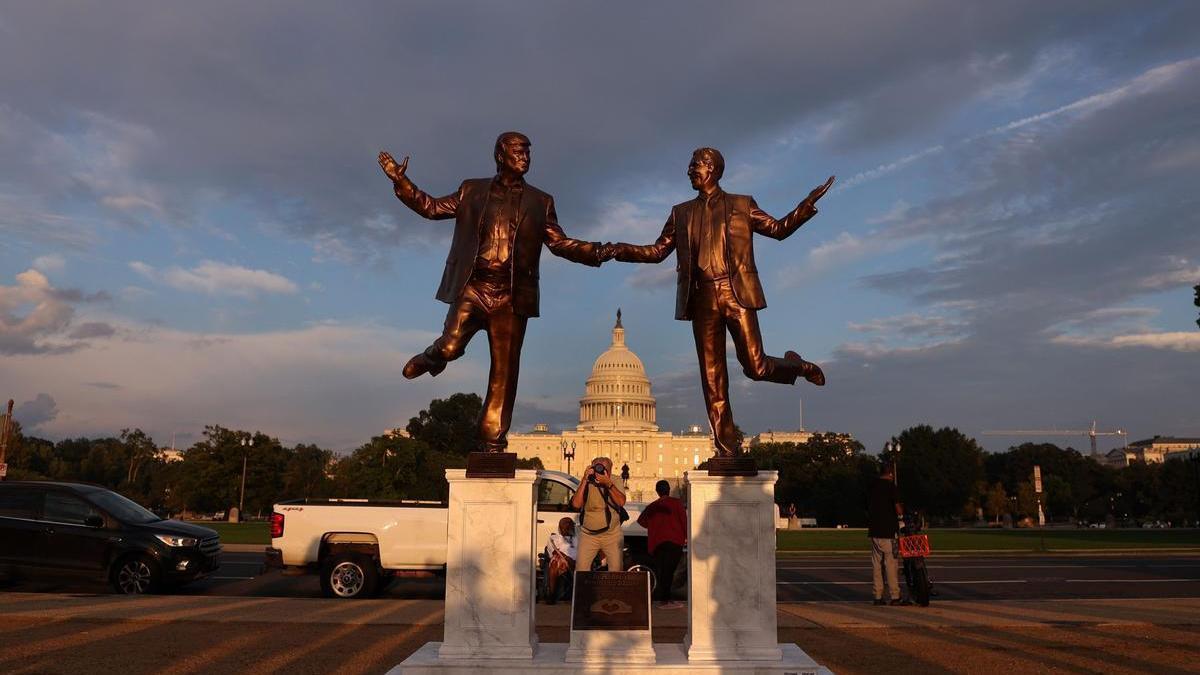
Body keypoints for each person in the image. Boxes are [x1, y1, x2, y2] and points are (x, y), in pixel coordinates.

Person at [378, 133, 608, 452]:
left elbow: (559, 243)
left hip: (512, 297)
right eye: (518, 152)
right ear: (501, 155)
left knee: (504, 371)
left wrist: (597, 252)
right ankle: (433, 357)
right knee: (451, 346)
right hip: (474, 287)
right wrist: (401, 182)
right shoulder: (472, 190)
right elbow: (430, 208)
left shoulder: (541, 201)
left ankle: (492, 441)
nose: (525, 158)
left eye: (528, 152)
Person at [607, 148, 834, 456]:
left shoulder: (742, 205)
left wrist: (805, 205)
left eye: (694, 165)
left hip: (735, 293)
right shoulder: (681, 212)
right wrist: (619, 249)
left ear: (711, 168)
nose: (689, 171)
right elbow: (658, 251)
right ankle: (727, 449)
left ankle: (797, 366)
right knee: (712, 378)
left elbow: (778, 230)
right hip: (701, 298)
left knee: (755, 366)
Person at [570, 456, 626, 573]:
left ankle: (612, 592)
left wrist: (608, 483)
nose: (600, 472)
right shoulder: (588, 481)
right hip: (588, 535)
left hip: (612, 535)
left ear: (610, 470)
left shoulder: (615, 480)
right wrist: (584, 480)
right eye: (597, 468)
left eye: (603, 469)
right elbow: (576, 504)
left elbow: (621, 502)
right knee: (581, 570)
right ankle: (583, 591)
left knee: (616, 571)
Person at [637, 480, 687, 609]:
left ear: (657, 491)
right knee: (669, 571)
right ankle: (666, 600)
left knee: (663, 570)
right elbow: (684, 521)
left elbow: (641, 521)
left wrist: (653, 526)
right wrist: (686, 536)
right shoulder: (677, 503)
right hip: (675, 541)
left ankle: (663, 599)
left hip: (658, 542)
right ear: (669, 490)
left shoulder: (653, 506)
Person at [867, 463, 908, 606]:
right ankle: (895, 595)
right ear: (891, 474)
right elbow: (897, 508)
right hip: (888, 530)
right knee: (891, 564)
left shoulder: (872, 486)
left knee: (876, 565)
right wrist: (902, 513)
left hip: (874, 530)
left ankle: (877, 596)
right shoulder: (891, 487)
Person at [544, 517, 577, 605]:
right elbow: (554, 551)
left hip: (577, 561)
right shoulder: (554, 537)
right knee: (555, 562)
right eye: (565, 524)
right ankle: (551, 594)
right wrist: (567, 559)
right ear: (560, 526)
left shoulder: (578, 538)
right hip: (561, 561)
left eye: (570, 524)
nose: (568, 526)